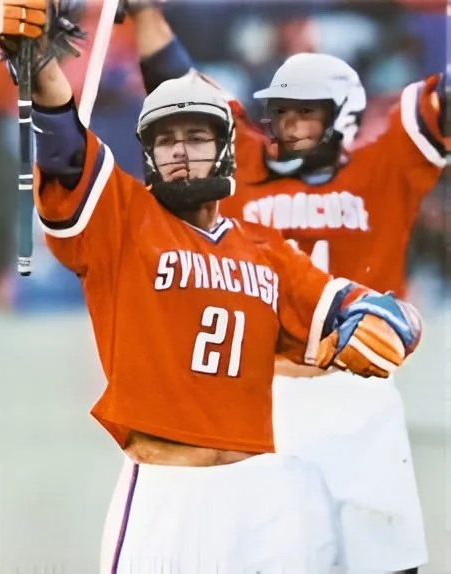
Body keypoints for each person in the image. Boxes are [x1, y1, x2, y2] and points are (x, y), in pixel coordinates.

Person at [0, 3, 424, 573]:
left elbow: (348, 305)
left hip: (260, 491)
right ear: (147, 154)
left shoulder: (267, 251)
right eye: (165, 140)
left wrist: (394, 321)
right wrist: (40, 69)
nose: (180, 151)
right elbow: (66, 150)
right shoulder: (123, 220)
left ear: (225, 148)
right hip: (166, 492)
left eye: (196, 136)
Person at [122, 2, 448, 573]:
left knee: (385, 559)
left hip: (358, 389)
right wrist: (144, 10)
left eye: (307, 114)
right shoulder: (243, 162)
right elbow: (176, 82)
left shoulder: (384, 162)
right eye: (284, 113)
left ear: (344, 113)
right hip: (263, 394)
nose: (291, 127)